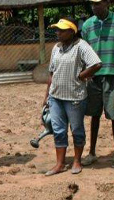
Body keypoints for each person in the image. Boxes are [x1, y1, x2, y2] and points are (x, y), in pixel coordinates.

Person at [42, 17, 102, 176]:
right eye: (57, 30)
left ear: (71, 31)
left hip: (75, 97)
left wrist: (82, 76)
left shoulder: (81, 46)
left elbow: (96, 64)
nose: (58, 33)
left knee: (76, 130)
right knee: (59, 130)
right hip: (56, 97)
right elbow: (51, 73)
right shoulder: (56, 47)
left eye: (61, 30)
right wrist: (47, 96)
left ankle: (76, 161)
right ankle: (60, 164)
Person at [81, 0, 114, 167]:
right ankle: (92, 152)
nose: (94, 7)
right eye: (92, 4)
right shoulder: (87, 25)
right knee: (94, 115)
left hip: (112, 75)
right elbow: (84, 51)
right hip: (94, 77)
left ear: (107, 3)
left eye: (98, 3)